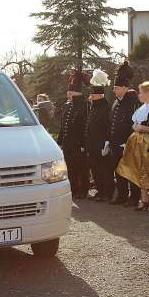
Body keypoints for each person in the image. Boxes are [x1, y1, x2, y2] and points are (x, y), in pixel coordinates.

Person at [116, 81, 149, 212]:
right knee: (140, 168)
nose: (139, 95)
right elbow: (134, 124)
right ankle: (144, 200)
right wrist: (135, 127)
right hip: (137, 141)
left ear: (148, 93)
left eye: (141, 92)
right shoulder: (140, 108)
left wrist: (141, 127)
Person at [107, 60, 141, 207]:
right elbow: (112, 121)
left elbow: (134, 124)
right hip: (115, 143)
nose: (114, 90)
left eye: (116, 88)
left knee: (131, 172)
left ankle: (134, 197)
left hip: (128, 143)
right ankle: (121, 195)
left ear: (124, 87)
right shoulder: (116, 102)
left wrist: (127, 141)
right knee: (118, 171)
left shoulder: (133, 102)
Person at [57, 70, 89, 200]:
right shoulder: (67, 106)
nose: (69, 93)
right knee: (70, 167)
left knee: (81, 167)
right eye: (68, 91)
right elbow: (63, 125)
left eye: (72, 91)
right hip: (67, 143)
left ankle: (83, 189)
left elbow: (86, 127)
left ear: (78, 92)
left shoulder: (85, 105)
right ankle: (73, 188)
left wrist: (83, 143)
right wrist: (60, 142)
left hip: (78, 143)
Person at [83, 70, 112, 202]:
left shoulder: (106, 107)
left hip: (101, 144)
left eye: (93, 94)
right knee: (95, 169)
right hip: (92, 144)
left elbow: (108, 126)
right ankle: (100, 191)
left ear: (99, 95)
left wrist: (106, 141)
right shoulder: (93, 107)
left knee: (103, 170)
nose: (91, 96)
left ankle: (106, 193)